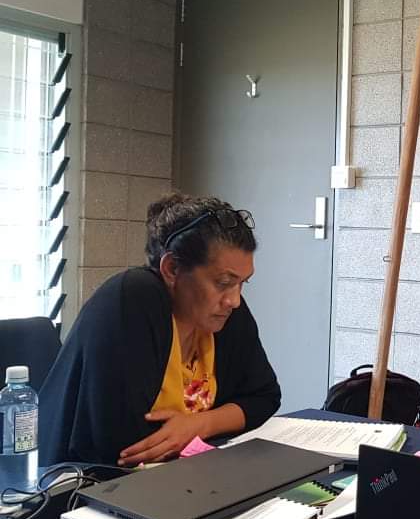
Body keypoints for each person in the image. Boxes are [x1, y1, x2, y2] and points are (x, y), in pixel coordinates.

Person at [40, 193, 281, 467]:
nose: (234, 300)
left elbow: (265, 397)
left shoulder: (224, 312)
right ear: (172, 268)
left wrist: (199, 424)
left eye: (242, 283)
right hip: (80, 485)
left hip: (177, 477)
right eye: (224, 282)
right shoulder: (135, 296)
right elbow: (125, 448)